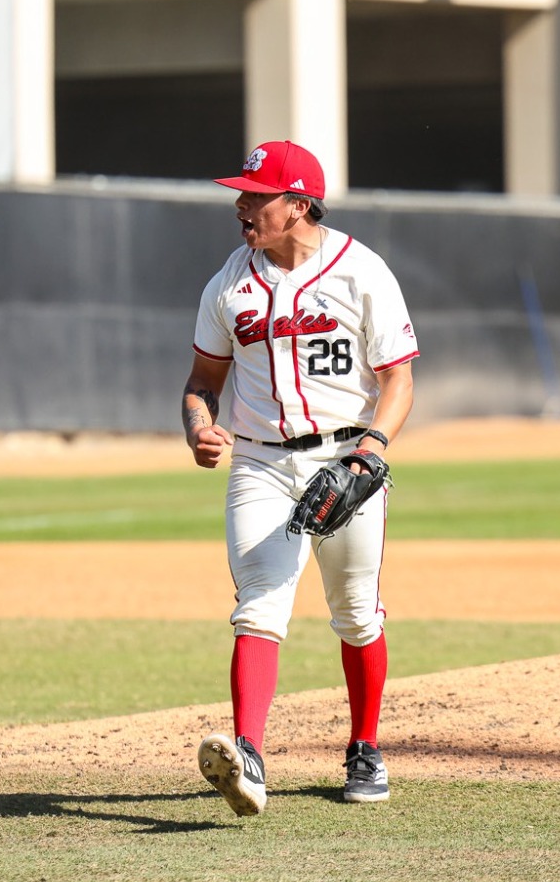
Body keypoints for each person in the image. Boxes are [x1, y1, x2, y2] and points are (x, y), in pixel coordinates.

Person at [183, 140, 419, 816]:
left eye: (256, 196)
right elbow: (201, 383)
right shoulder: (228, 284)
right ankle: (247, 754)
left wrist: (370, 450)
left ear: (299, 205)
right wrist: (197, 424)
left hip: (345, 457)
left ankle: (365, 744)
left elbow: (398, 377)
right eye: (241, 193)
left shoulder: (360, 270)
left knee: (353, 614)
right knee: (259, 601)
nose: (241, 205)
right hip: (258, 460)